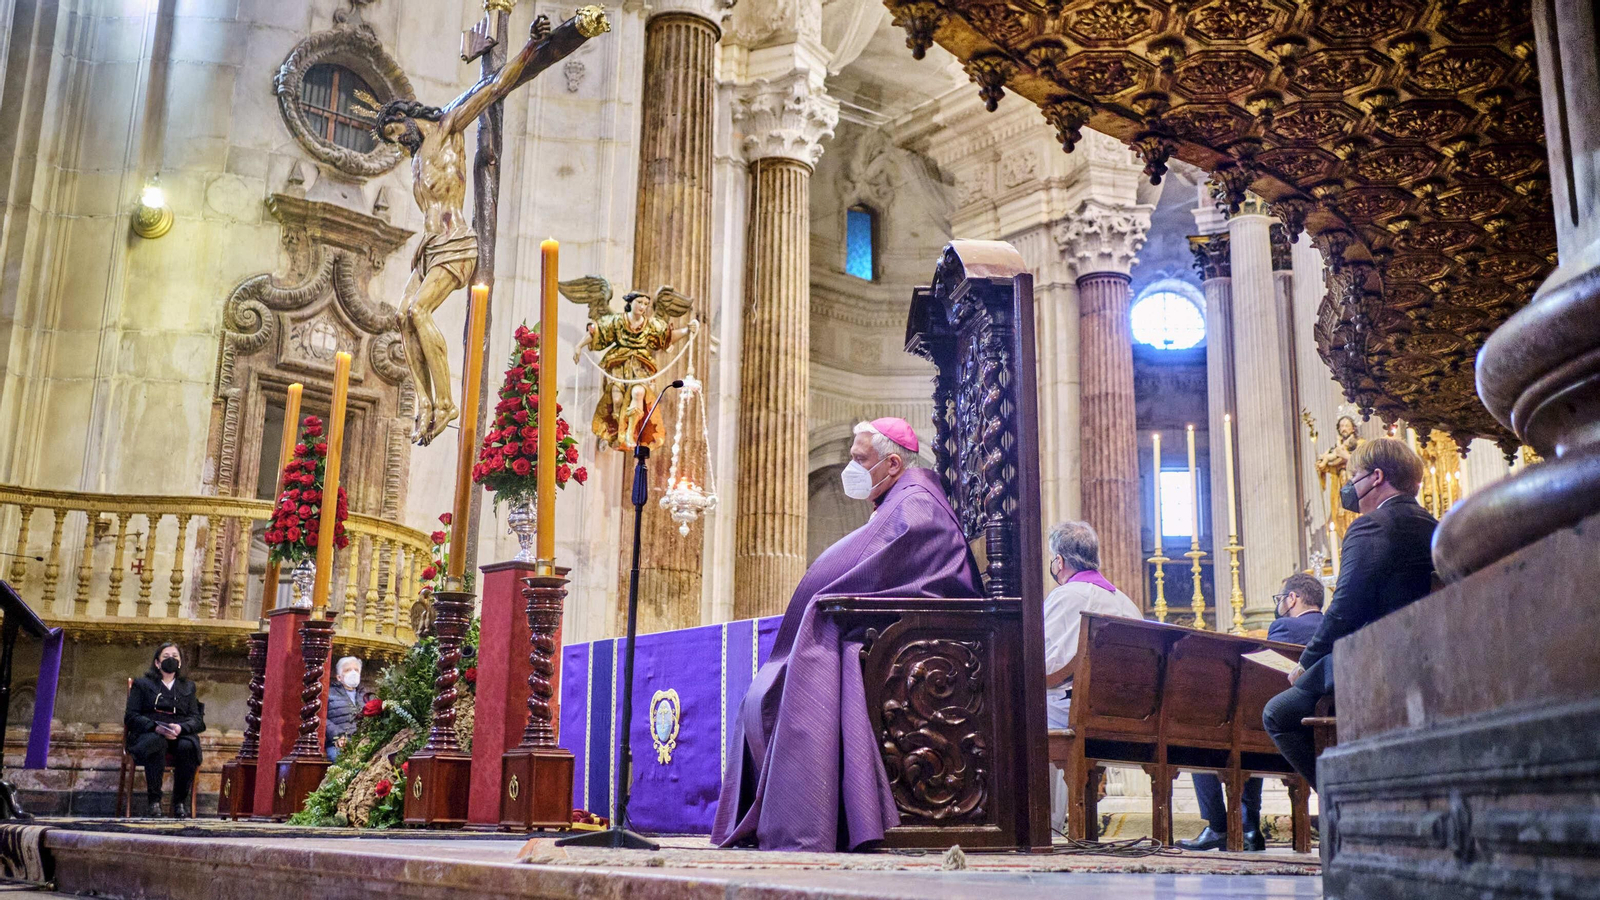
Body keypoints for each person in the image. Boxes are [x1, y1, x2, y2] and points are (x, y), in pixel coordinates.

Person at [713, 418, 981, 852]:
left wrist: (824, 592)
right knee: (802, 664)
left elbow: (896, 565)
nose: (851, 468)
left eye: (860, 459)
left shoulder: (917, 505)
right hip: (899, 631)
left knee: (823, 655)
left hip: (924, 641)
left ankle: (814, 818)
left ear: (892, 463)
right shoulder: (902, 498)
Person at [1264, 438, 1437, 786]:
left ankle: (1340, 798)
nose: (1349, 488)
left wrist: (1306, 662)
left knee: (1278, 713)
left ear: (1376, 477)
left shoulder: (1371, 525)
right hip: (1427, 658)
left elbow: (1344, 608)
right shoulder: (1434, 525)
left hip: (1376, 660)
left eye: (1353, 476)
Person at [1180, 572, 1327, 851]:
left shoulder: (1283, 627)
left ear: (1292, 598)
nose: (1279, 604)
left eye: (1281, 599)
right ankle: (1248, 830)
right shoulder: (1332, 627)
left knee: (1203, 741)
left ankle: (1223, 827)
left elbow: (1265, 686)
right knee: (1249, 732)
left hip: (1280, 730)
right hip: (1317, 733)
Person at [1040, 520, 1142, 834]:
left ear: (1059, 561)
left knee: (1025, 709)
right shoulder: (1126, 602)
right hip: (1125, 713)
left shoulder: (1067, 596)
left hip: (1078, 712)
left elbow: (1046, 666)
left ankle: (1046, 824)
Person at [124, 643, 205, 818]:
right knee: (156, 742)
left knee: (188, 746)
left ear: (181, 663)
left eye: (175, 656)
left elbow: (197, 719)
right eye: (166, 656)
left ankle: (179, 803)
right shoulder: (142, 684)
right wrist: (155, 727)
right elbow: (131, 717)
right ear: (157, 663)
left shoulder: (188, 687)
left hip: (178, 734)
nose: (171, 660)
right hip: (150, 733)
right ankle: (154, 802)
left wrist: (181, 728)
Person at [326, 657, 366, 762]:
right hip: (338, 745)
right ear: (339, 677)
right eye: (348, 670)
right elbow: (321, 718)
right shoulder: (329, 694)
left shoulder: (365, 695)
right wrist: (338, 735)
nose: (353, 673)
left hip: (363, 744)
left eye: (356, 670)